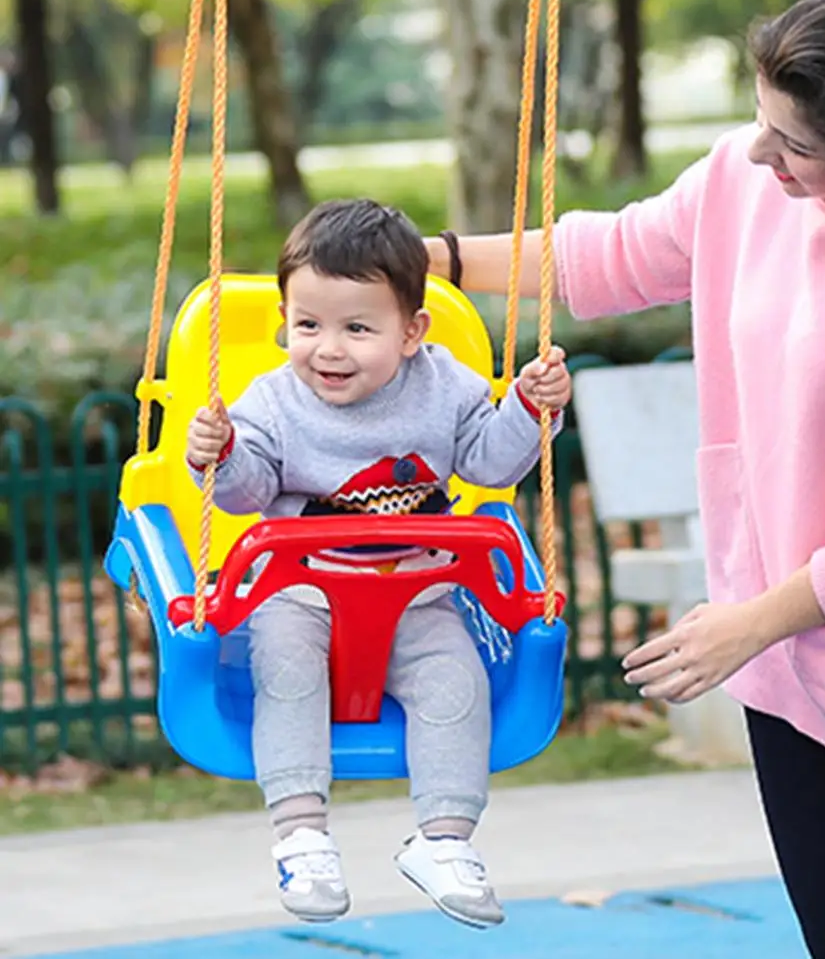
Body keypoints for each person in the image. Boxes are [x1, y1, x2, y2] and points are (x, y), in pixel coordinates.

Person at [424, 0, 825, 959]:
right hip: (789, 667)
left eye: (795, 143)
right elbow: (609, 254)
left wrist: (747, 621)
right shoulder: (745, 181)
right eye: (760, 119)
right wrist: (423, 260)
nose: (760, 152)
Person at [185, 198, 571, 929]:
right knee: (287, 675)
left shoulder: (447, 387)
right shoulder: (272, 400)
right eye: (308, 326)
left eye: (357, 329)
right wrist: (221, 453)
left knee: (455, 686)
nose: (328, 350)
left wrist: (527, 407)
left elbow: (490, 464)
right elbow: (244, 495)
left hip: (418, 591)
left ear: (412, 331)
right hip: (299, 592)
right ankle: (301, 834)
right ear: (285, 320)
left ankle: (444, 840)